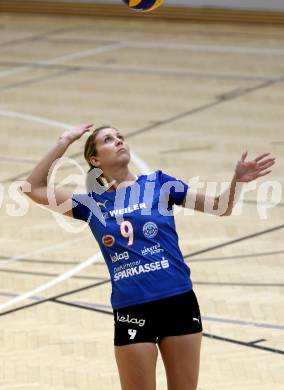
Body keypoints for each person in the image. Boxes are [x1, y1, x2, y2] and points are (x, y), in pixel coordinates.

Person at [23, 123, 275, 390]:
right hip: (132, 308)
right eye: (109, 139)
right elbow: (33, 188)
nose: (119, 141)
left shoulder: (159, 184)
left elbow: (219, 207)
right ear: (94, 159)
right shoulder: (91, 205)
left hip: (177, 300)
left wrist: (237, 181)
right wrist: (64, 140)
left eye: (120, 137)